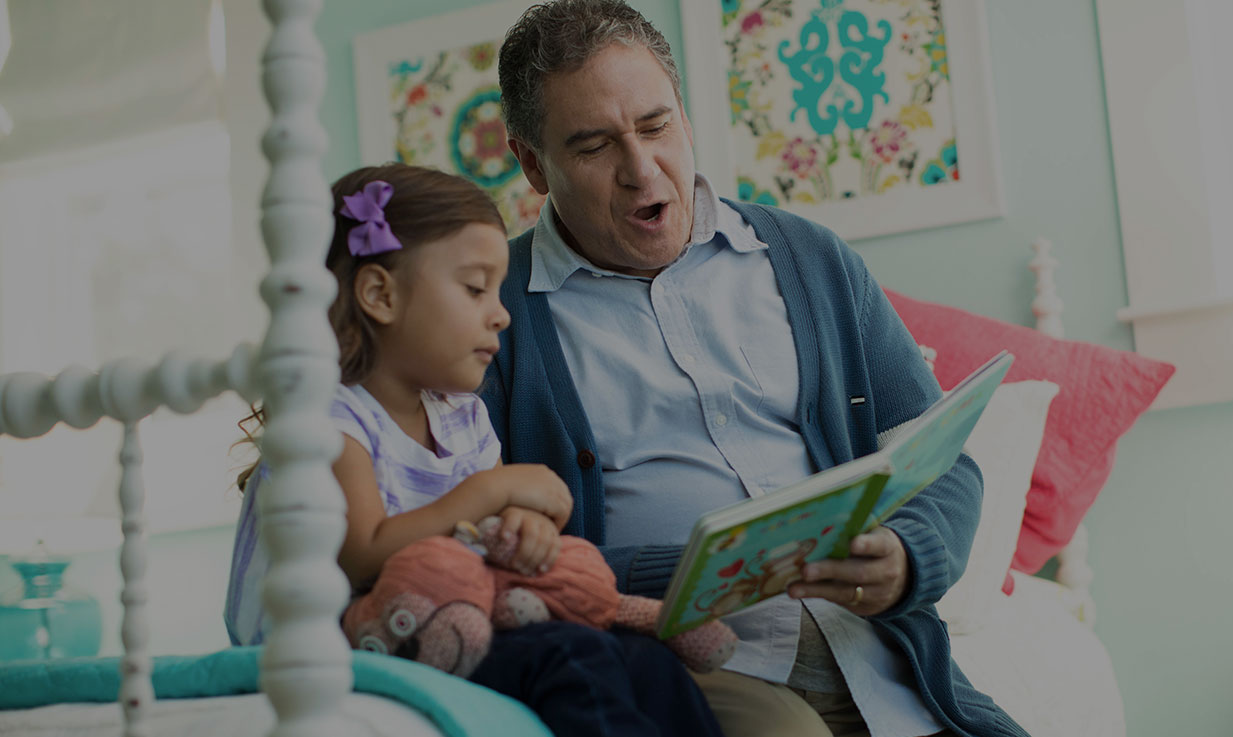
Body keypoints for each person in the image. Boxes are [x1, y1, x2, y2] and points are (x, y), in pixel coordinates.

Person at [487, 2, 1030, 736]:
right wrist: (693, 573)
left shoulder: (810, 257)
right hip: (683, 668)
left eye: (656, 126)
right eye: (593, 147)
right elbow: (482, 552)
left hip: (884, 658)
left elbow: (941, 457)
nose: (641, 169)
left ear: (684, 113)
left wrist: (907, 556)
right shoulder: (494, 316)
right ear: (532, 165)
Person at [224, 163, 724, 737]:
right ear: (380, 295)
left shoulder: (460, 416)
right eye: (474, 288)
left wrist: (520, 528)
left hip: (446, 613)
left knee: (647, 659)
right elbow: (363, 555)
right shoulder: (330, 422)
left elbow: (485, 530)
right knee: (565, 656)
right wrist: (487, 492)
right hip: (340, 646)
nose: (501, 312)